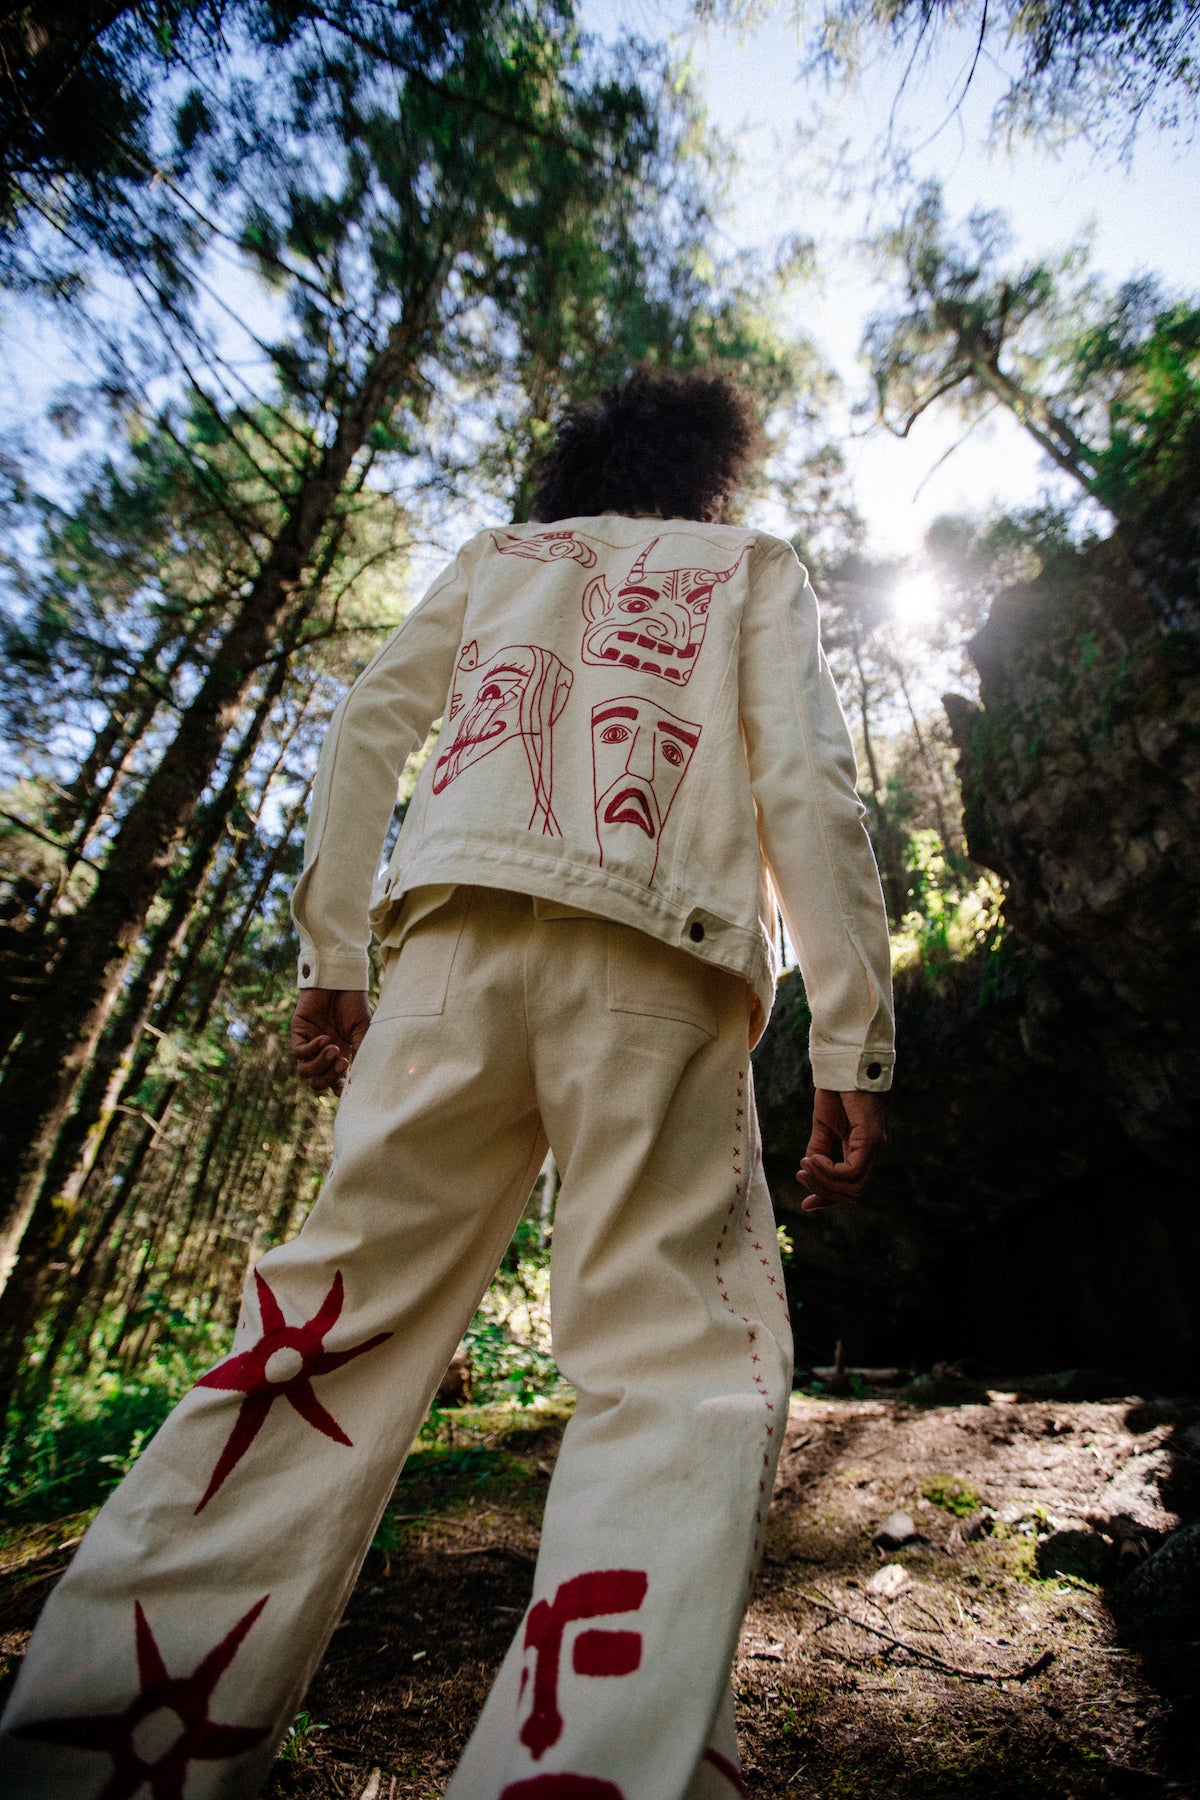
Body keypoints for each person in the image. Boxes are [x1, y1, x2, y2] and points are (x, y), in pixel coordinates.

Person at [0, 367, 892, 1800]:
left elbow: (366, 729)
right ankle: (587, 1772)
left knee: (318, 1338)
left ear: (571, 476)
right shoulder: (747, 567)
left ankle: (93, 1759)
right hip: (658, 968)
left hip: (444, 961)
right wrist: (854, 1034)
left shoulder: (499, 560)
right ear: (707, 476)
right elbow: (809, 787)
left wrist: (333, 951)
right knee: (673, 1363)